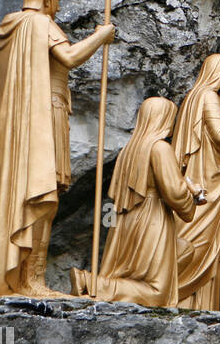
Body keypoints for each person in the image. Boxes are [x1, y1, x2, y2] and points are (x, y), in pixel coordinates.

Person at [0, 0, 114, 298]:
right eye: (57, 0)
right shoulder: (40, 23)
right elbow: (68, 58)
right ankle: (31, 282)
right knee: (43, 197)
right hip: (45, 114)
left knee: (35, 195)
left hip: (21, 121)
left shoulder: (11, 28)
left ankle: (24, 278)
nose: (58, 6)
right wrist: (101, 36)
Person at [70, 98, 204, 306]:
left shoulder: (128, 150)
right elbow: (174, 193)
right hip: (152, 216)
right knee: (157, 292)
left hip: (126, 220)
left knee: (180, 252)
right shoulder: (160, 148)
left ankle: (99, 284)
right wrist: (193, 195)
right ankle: (91, 284)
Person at [173, 53, 220, 310]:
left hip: (211, 174)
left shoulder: (200, 97)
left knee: (207, 242)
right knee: (199, 238)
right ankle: (181, 296)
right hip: (208, 182)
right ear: (219, 73)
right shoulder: (208, 97)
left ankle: (200, 303)